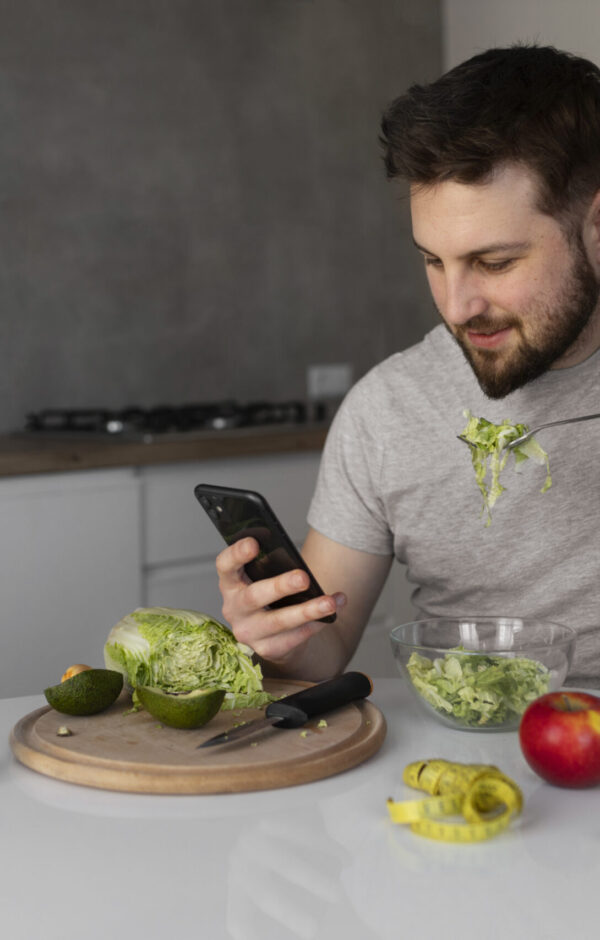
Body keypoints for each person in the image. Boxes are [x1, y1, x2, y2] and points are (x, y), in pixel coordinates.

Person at [216, 44, 600, 685]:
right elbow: (322, 651)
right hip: (458, 739)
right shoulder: (387, 409)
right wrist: (276, 635)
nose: (457, 306)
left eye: (496, 263)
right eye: (433, 261)